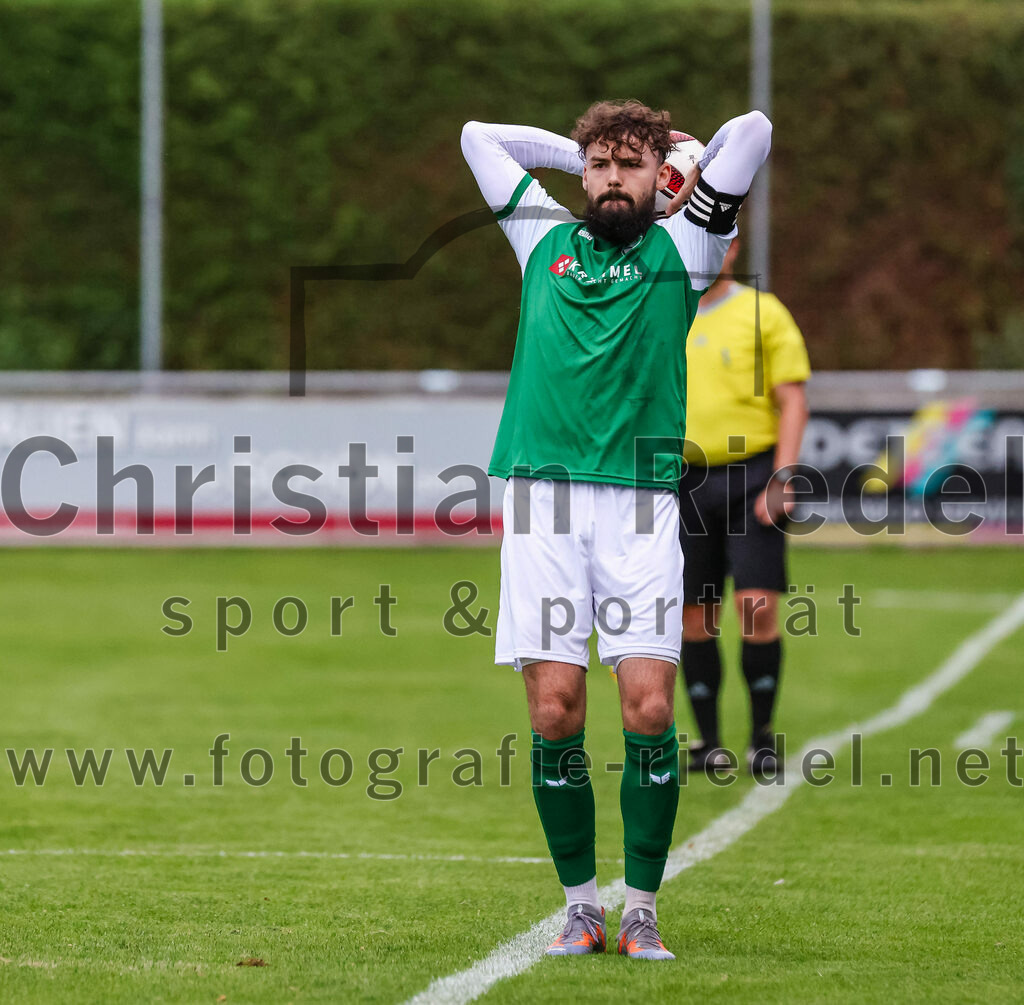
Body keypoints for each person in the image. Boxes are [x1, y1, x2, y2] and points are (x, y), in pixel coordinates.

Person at [461, 101, 771, 960]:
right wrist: (585, 148)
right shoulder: (542, 240)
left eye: (628, 165)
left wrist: (686, 162)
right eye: (598, 165)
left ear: (657, 179)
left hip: (639, 509)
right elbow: (476, 139)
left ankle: (639, 909)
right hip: (543, 504)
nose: (609, 178)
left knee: (647, 704)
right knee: (556, 710)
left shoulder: (687, 248)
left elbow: (755, 129)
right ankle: (579, 907)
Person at [677, 237, 811, 776]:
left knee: (755, 607)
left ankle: (761, 737)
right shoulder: (663, 310)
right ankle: (708, 743)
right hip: (681, 480)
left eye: (718, 247)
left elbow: (793, 399)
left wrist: (783, 476)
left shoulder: (765, 312)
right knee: (693, 615)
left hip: (753, 477)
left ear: (731, 251)